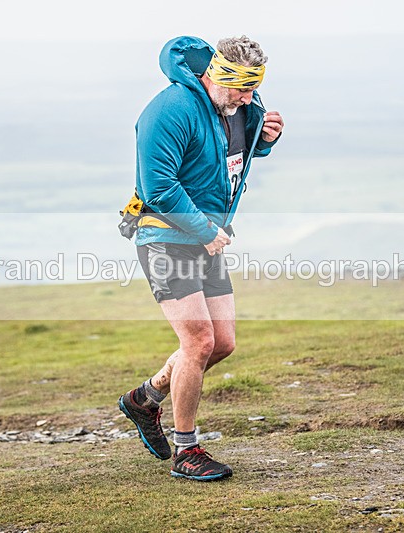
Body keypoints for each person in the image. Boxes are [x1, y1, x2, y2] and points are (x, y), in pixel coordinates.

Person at [118, 35, 284, 481]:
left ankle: (145, 399)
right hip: (165, 235)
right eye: (241, 89)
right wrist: (206, 230)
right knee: (198, 343)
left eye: (254, 89)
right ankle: (186, 452)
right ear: (214, 73)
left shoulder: (237, 107)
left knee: (222, 343)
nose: (249, 99)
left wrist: (263, 140)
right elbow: (158, 187)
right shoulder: (169, 110)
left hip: (207, 237)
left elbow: (225, 160)